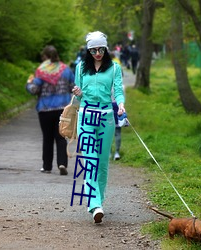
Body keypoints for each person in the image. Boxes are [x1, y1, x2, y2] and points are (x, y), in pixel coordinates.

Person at [72, 31, 125, 223]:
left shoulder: (114, 68)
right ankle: (94, 204)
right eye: (93, 50)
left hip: (106, 119)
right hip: (86, 117)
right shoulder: (80, 68)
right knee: (90, 161)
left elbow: (118, 90)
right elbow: (78, 97)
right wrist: (77, 92)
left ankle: (98, 202)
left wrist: (120, 104)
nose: (97, 53)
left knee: (102, 163)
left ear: (106, 48)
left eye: (101, 49)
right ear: (88, 50)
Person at [26, 45, 75, 175]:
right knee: (61, 137)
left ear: (45, 57)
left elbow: (34, 90)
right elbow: (73, 87)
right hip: (62, 109)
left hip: (45, 109)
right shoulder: (66, 70)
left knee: (47, 138)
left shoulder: (41, 71)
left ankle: (47, 166)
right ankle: (62, 163)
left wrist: (29, 83)